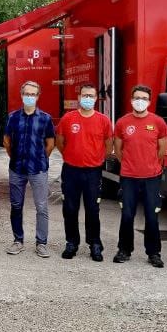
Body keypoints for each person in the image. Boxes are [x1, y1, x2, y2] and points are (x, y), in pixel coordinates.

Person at [112, 84, 167, 267]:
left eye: (144, 99)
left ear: (149, 101)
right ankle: (124, 250)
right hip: (129, 177)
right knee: (127, 215)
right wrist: (131, 165)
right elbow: (119, 151)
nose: (140, 101)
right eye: (137, 98)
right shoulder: (122, 123)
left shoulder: (158, 122)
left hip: (152, 177)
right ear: (131, 100)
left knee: (152, 216)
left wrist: (149, 166)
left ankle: (153, 253)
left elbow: (161, 151)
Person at [56, 84, 114, 261]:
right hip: (71, 170)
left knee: (92, 209)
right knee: (70, 208)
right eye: (84, 95)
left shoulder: (103, 120)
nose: (87, 98)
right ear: (79, 97)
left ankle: (94, 243)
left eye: (91, 95)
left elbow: (109, 144)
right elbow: (60, 142)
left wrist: (97, 160)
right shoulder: (68, 118)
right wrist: (71, 156)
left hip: (93, 172)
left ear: (96, 98)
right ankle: (72, 242)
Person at [3, 81, 56, 258]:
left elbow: (50, 144)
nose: (29, 97)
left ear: (38, 96)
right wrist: (16, 157)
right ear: (21, 94)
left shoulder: (45, 118)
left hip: (38, 169)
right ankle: (18, 240)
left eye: (33, 94)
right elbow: (7, 142)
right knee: (16, 205)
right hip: (17, 168)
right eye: (27, 93)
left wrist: (39, 157)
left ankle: (41, 243)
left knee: (41, 207)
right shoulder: (13, 117)